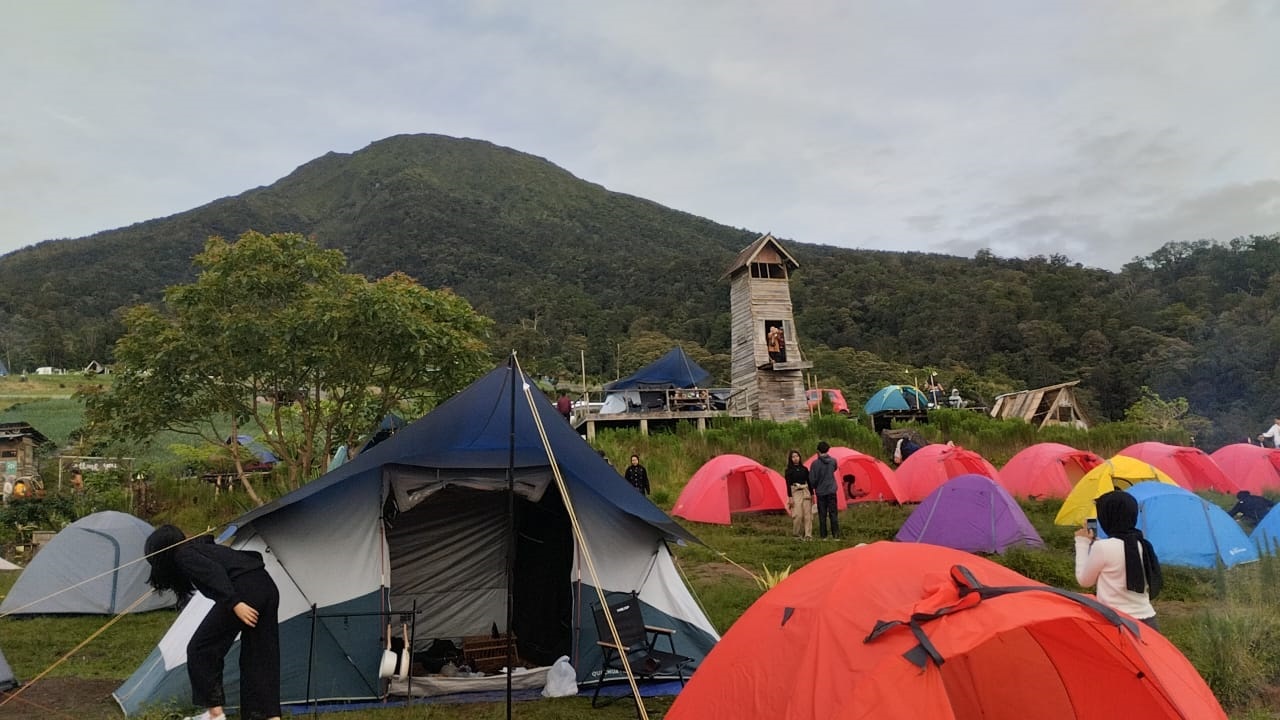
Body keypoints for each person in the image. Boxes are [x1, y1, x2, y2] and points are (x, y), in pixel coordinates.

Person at [145, 525, 282, 720]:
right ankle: (269, 717)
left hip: (244, 593)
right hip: (266, 587)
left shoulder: (183, 554)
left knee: (201, 649)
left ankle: (214, 714)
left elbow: (214, 572)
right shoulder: (201, 548)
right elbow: (247, 559)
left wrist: (235, 603)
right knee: (260, 656)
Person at [1074, 491, 1162, 630]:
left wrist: (1082, 542)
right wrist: (1097, 542)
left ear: (1108, 517)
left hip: (1117, 622)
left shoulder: (1103, 548)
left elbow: (1084, 581)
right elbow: (1119, 552)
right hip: (1148, 621)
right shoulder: (1143, 544)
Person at [809, 442, 839, 540]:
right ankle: (836, 535)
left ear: (818, 451)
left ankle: (823, 536)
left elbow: (812, 480)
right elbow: (834, 469)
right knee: (833, 513)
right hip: (831, 490)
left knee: (822, 514)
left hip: (820, 492)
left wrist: (815, 486)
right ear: (828, 449)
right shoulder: (833, 461)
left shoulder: (814, 464)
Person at [784, 450, 813, 540]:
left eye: (797, 456)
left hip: (805, 491)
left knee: (807, 515)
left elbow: (809, 482)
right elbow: (788, 485)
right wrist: (790, 497)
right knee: (798, 514)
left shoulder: (804, 469)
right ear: (790, 459)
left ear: (799, 457)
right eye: (793, 457)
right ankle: (796, 533)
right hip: (795, 491)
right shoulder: (789, 471)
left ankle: (808, 534)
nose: (795, 458)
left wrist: (812, 494)